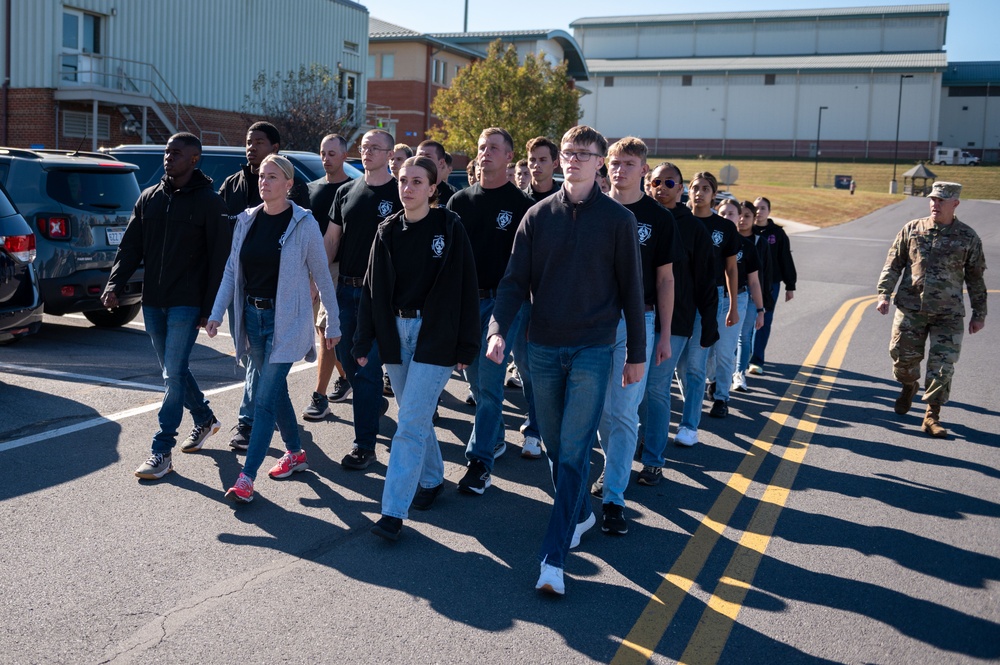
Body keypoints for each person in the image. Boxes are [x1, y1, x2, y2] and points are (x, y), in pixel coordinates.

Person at [486, 125, 645, 596]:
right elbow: (514, 281)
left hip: (595, 349)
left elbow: (633, 292)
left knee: (575, 452)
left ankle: (552, 559)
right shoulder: (536, 216)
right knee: (556, 447)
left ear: (600, 163)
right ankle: (578, 513)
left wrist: (636, 353)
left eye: (584, 153)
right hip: (543, 347)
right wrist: (497, 329)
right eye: (569, 152)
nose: (574, 159)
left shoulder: (619, 220)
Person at [354, 156, 480, 540]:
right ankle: (431, 478)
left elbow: (466, 288)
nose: (407, 188)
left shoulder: (450, 226)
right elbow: (371, 288)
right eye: (402, 181)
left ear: (432, 188)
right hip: (396, 332)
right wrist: (364, 339)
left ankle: (392, 512)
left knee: (408, 423)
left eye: (416, 181)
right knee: (416, 416)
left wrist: (466, 343)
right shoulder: (387, 230)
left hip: (435, 335)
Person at [206, 155, 340, 502]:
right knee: (274, 389)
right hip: (253, 318)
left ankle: (246, 479)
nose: (264, 182)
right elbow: (232, 271)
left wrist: (334, 322)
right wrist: (217, 312)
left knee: (264, 399)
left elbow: (323, 277)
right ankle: (295, 453)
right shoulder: (247, 220)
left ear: (289, 185)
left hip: (287, 323)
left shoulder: (303, 223)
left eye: (273, 177)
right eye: (262, 176)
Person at [104, 133, 230, 480]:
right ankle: (204, 418)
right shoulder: (149, 199)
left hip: (187, 303)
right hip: (154, 302)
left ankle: (162, 450)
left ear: (194, 159)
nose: (167, 157)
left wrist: (210, 308)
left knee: (172, 374)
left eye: (176, 153)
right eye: (166, 151)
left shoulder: (209, 201)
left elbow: (220, 258)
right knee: (173, 371)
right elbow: (130, 248)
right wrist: (115, 284)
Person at [592, 137, 675, 535]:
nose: (619, 169)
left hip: (637, 323)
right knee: (603, 413)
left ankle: (614, 498)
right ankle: (612, 470)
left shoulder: (658, 218)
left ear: (644, 169)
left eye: (628, 163)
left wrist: (664, 336)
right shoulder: (590, 208)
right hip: (591, 322)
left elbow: (665, 280)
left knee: (624, 411)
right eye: (614, 162)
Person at [447, 127, 535, 494]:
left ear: (509, 157)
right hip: (466, 302)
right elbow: (448, 262)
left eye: (494, 148)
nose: (485, 153)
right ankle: (495, 436)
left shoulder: (523, 207)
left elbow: (532, 265)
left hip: (506, 304)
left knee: (491, 380)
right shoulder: (459, 203)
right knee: (476, 380)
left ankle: (480, 462)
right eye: (482, 147)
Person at [218, 121, 310, 451]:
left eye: (258, 141)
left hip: (279, 300)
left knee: (265, 369)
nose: (251, 146)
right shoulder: (232, 185)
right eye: (247, 141)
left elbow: (305, 248)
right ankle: (288, 438)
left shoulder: (293, 191)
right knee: (254, 363)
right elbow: (223, 242)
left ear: (274, 147)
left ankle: (249, 422)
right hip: (244, 291)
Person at [875, 181, 987, 438]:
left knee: (942, 367)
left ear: (955, 204)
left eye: (941, 200)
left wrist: (979, 314)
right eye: (933, 199)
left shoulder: (968, 237)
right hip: (911, 308)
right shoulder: (913, 229)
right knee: (902, 360)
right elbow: (894, 263)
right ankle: (908, 386)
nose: (935, 204)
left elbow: (976, 279)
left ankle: (931, 416)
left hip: (948, 314)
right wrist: (884, 294)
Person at [638, 162, 718, 485]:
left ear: (681, 188)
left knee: (656, 388)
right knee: (635, 390)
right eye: (656, 181)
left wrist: (709, 325)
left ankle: (653, 459)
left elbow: (705, 281)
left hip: (677, 322)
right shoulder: (636, 216)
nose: (662, 187)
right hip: (637, 315)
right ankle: (642, 440)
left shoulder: (694, 229)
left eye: (670, 182)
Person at [328, 129, 402, 469]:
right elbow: (331, 241)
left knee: (367, 367)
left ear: (390, 154)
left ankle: (364, 446)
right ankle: (371, 408)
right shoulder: (345, 191)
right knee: (348, 363)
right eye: (364, 146)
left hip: (380, 296)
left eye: (375, 147)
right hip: (345, 290)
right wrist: (318, 285)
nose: (367, 151)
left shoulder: (399, 192)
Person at [674, 172, 740, 436]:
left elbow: (732, 269)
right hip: (678, 300)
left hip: (710, 299)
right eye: (694, 188)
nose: (699, 193)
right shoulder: (678, 221)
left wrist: (734, 306)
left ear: (714, 194)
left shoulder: (723, 228)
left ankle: (689, 425)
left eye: (705, 188)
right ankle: (693, 402)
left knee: (696, 364)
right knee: (679, 366)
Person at [302, 133, 353, 421]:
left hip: (336, 269)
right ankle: (349, 376)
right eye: (323, 152)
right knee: (325, 333)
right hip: (306, 267)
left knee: (325, 332)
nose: (326, 158)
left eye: (332, 153)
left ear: (344, 155)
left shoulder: (352, 188)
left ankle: (319, 397)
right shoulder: (310, 190)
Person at [713, 200, 765, 399]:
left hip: (738, 299)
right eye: (723, 213)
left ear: (739, 216)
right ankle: (714, 379)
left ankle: (722, 396)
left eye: (732, 214)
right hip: (709, 298)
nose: (727, 217)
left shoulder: (747, 246)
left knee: (727, 350)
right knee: (707, 352)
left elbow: (754, 282)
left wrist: (760, 309)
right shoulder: (709, 239)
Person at [748, 196, 796, 375]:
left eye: (762, 208)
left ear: (769, 211)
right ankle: (742, 357)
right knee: (746, 323)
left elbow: (785, 259)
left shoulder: (777, 233)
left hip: (770, 285)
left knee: (764, 321)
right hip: (746, 286)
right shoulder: (746, 231)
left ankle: (757, 360)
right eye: (756, 208)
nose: (759, 212)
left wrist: (790, 285)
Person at [733, 200, 773, 392]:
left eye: (747, 216)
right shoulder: (728, 237)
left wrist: (762, 305)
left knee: (744, 336)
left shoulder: (760, 243)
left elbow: (763, 275)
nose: (742, 219)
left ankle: (739, 373)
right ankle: (720, 372)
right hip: (728, 294)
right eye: (740, 215)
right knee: (726, 337)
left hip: (749, 295)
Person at [416, 140, 456, 207]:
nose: (422, 160)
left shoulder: (452, 196)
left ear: (441, 163)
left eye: (428, 157)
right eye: (419, 156)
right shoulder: (408, 191)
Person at [525, 136, 560, 202]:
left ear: (555, 164)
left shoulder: (565, 200)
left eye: (542, 160)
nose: (536, 165)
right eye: (532, 160)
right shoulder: (518, 199)